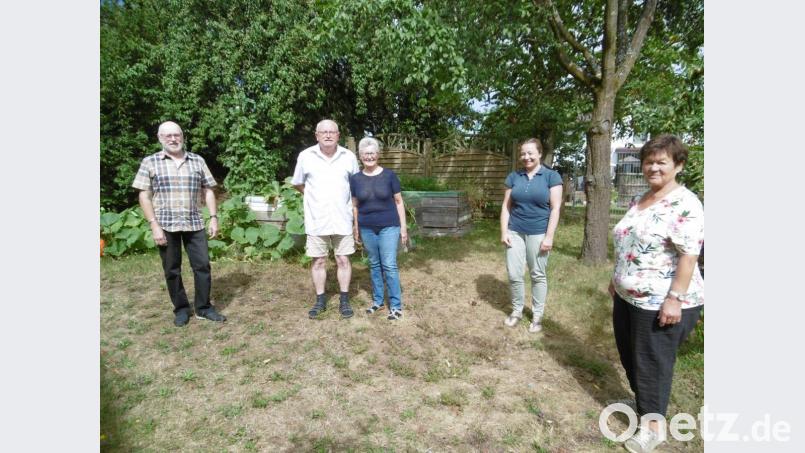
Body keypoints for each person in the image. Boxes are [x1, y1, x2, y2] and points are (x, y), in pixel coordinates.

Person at [608, 134, 704, 453]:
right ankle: (642, 405)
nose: (653, 167)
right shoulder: (641, 199)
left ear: (678, 165)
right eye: (649, 161)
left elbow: (689, 255)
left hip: (663, 301)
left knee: (651, 364)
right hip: (628, 296)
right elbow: (629, 243)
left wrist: (674, 298)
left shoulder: (685, 203)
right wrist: (616, 278)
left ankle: (653, 427)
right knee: (629, 355)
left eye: (662, 161)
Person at [132, 121, 226, 326]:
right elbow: (144, 195)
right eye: (168, 136)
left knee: (202, 266)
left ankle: (203, 308)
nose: (173, 139)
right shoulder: (150, 162)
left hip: (194, 223)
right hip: (166, 224)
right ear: (160, 138)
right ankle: (181, 309)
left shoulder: (197, 160)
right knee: (172, 269)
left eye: (177, 135)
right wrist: (153, 224)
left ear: (183, 136)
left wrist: (213, 217)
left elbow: (208, 190)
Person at [292, 119, 360, 319]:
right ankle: (320, 299)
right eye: (324, 132)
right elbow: (298, 183)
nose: (328, 135)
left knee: (343, 259)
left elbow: (356, 186)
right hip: (317, 218)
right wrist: (313, 198)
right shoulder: (306, 156)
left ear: (338, 135)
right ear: (317, 135)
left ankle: (344, 299)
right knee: (319, 260)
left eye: (332, 132)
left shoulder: (348, 157)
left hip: (342, 217)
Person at [500, 138, 563, 333]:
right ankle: (517, 311)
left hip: (538, 233)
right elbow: (506, 206)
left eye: (530, 153)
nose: (526, 157)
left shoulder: (551, 176)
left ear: (539, 154)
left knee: (537, 274)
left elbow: (555, 208)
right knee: (514, 274)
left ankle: (537, 316)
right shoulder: (514, 177)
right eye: (523, 154)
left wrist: (549, 237)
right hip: (515, 231)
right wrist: (504, 231)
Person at [349, 137, 408, 320]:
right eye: (366, 154)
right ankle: (378, 301)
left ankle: (396, 306)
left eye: (372, 153)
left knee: (389, 265)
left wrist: (403, 228)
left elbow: (399, 202)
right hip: (367, 228)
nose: (369, 157)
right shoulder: (355, 179)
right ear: (360, 156)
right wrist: (356, 227)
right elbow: (355, 206)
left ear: (378, 155)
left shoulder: (389, 175)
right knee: (374, 264)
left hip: (389, 226)